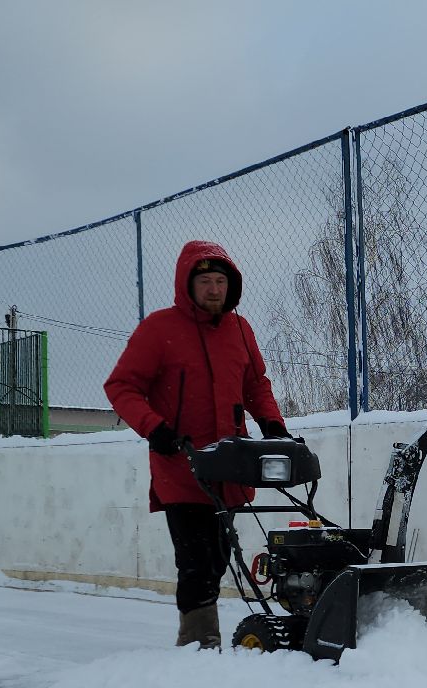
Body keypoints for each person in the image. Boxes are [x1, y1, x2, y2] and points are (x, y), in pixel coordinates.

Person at [104, 240, 290, 649]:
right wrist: (155, 428)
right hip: (181, 466)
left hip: (230, 466)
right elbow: (121, 386)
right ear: (187, 285)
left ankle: (201, 641)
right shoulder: (160, 329)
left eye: (220, 281)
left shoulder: (241, 330)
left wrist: (273, 425)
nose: (213, 289)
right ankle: (198, 643)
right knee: (196, 560)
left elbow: (256, 385)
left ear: (231, 286)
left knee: (220, 555)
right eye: (204, 280)